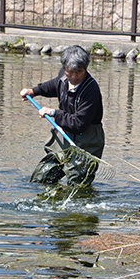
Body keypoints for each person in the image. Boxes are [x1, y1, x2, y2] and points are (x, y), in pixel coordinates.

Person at [20, 44, 105, 186]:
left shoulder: (91, 90)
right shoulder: (63, 76)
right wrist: (34, 91)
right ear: (64, 68)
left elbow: (79, 124)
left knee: (78, 184)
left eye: (79, 72)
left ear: (85, 69)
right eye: (69, 72)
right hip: (63, 132)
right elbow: (54, 85)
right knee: (42, 177)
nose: (74, 77)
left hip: (87, 138)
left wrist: (53, 112)